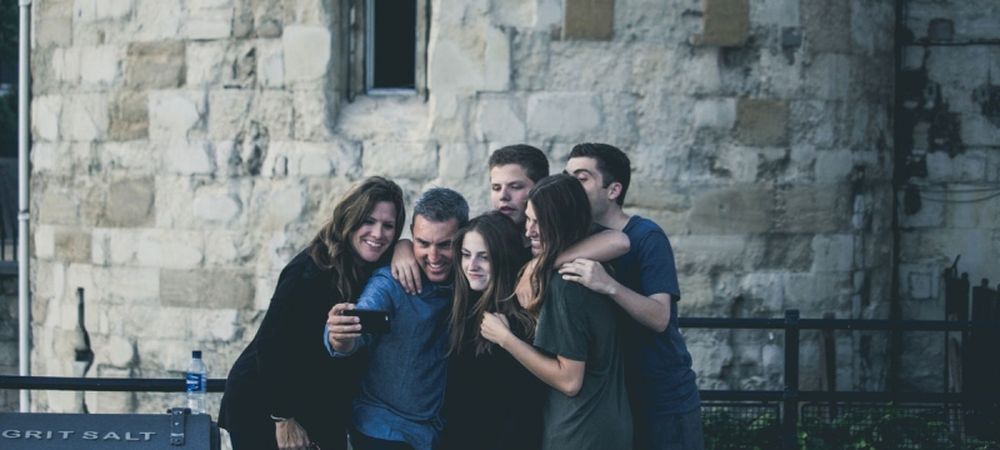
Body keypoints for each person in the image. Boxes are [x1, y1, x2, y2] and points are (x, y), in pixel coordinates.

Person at [219, 176, 406, 450]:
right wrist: (283, 419)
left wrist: (404, 248)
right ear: (350, 219)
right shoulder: (311, 269)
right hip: (266, 404)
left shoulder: (370, 266)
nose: (378, 234)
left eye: (388, 226)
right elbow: (271, 344)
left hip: (316, 401)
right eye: (368, 221)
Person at [560, 143, 703, 450]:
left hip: (661, 400)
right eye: (567, 177)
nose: (570, 187)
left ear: (613, 190)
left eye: (581, 178)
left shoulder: (647, 236)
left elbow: (660, 317)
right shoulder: (579, 238)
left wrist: (609, 285)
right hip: (612, 402)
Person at [481, 174, 632, 450]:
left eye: (539, 222)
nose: (529, 231)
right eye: (528, 219)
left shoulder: (567, 284)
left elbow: (570, 380)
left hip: (579, 432)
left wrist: (505, 338)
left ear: (563, 223)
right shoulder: (589, 267)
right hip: (602, 425)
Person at [325, 187, 469, 450]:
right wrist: (340, 338)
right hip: (384, 429)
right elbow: (362, 320)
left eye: (445, 245)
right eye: (423, 243)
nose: (433, 256)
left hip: (440, 433)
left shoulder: (469, 276)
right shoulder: (391, 281)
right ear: (412, 233)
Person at [439, 211, 544, 450]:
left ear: (503, 258)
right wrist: (403, 247)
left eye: (484, 257)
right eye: (466, 255)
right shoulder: (461, 303)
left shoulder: (519, 321)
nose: (472, 266)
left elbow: (522, 410)